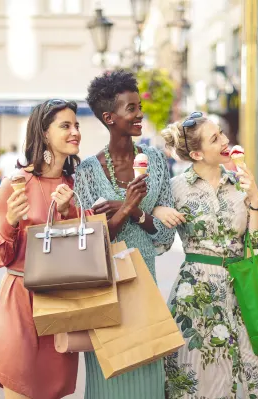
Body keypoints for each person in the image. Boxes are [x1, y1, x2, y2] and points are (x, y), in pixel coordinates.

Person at [153, 113, 258, 399]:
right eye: (216, 138)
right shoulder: (175, 187)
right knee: (201, 382)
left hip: (245, 290)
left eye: (223, 134)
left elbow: (256, 243)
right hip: (197, 296)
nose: (226, 141)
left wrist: (254, 199)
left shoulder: (238, 182)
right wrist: (157, 211)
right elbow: (160, 243)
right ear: (196, 153)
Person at [74, 69, 176, 399]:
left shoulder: (157, 161)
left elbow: (165, 236)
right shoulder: (87, 170)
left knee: (147, 381)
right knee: (108, 381)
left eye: (139, 106)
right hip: (105, 290)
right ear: (109, 117)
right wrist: (126, 206)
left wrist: (135, 210)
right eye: (131, 108)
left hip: (146, 288)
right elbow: (91, 239)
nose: (139, 114)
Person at [0, 99, 82, 399]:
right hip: (21, 303)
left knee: (53, 391)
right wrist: (11, 220)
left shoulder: (75, 185)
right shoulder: (15, 184)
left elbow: (85, 248)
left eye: (76, 125)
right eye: (65, 125)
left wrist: (69, 213)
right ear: (43, 133)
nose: (75, 131)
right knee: (21, 388)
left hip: (61, 302)